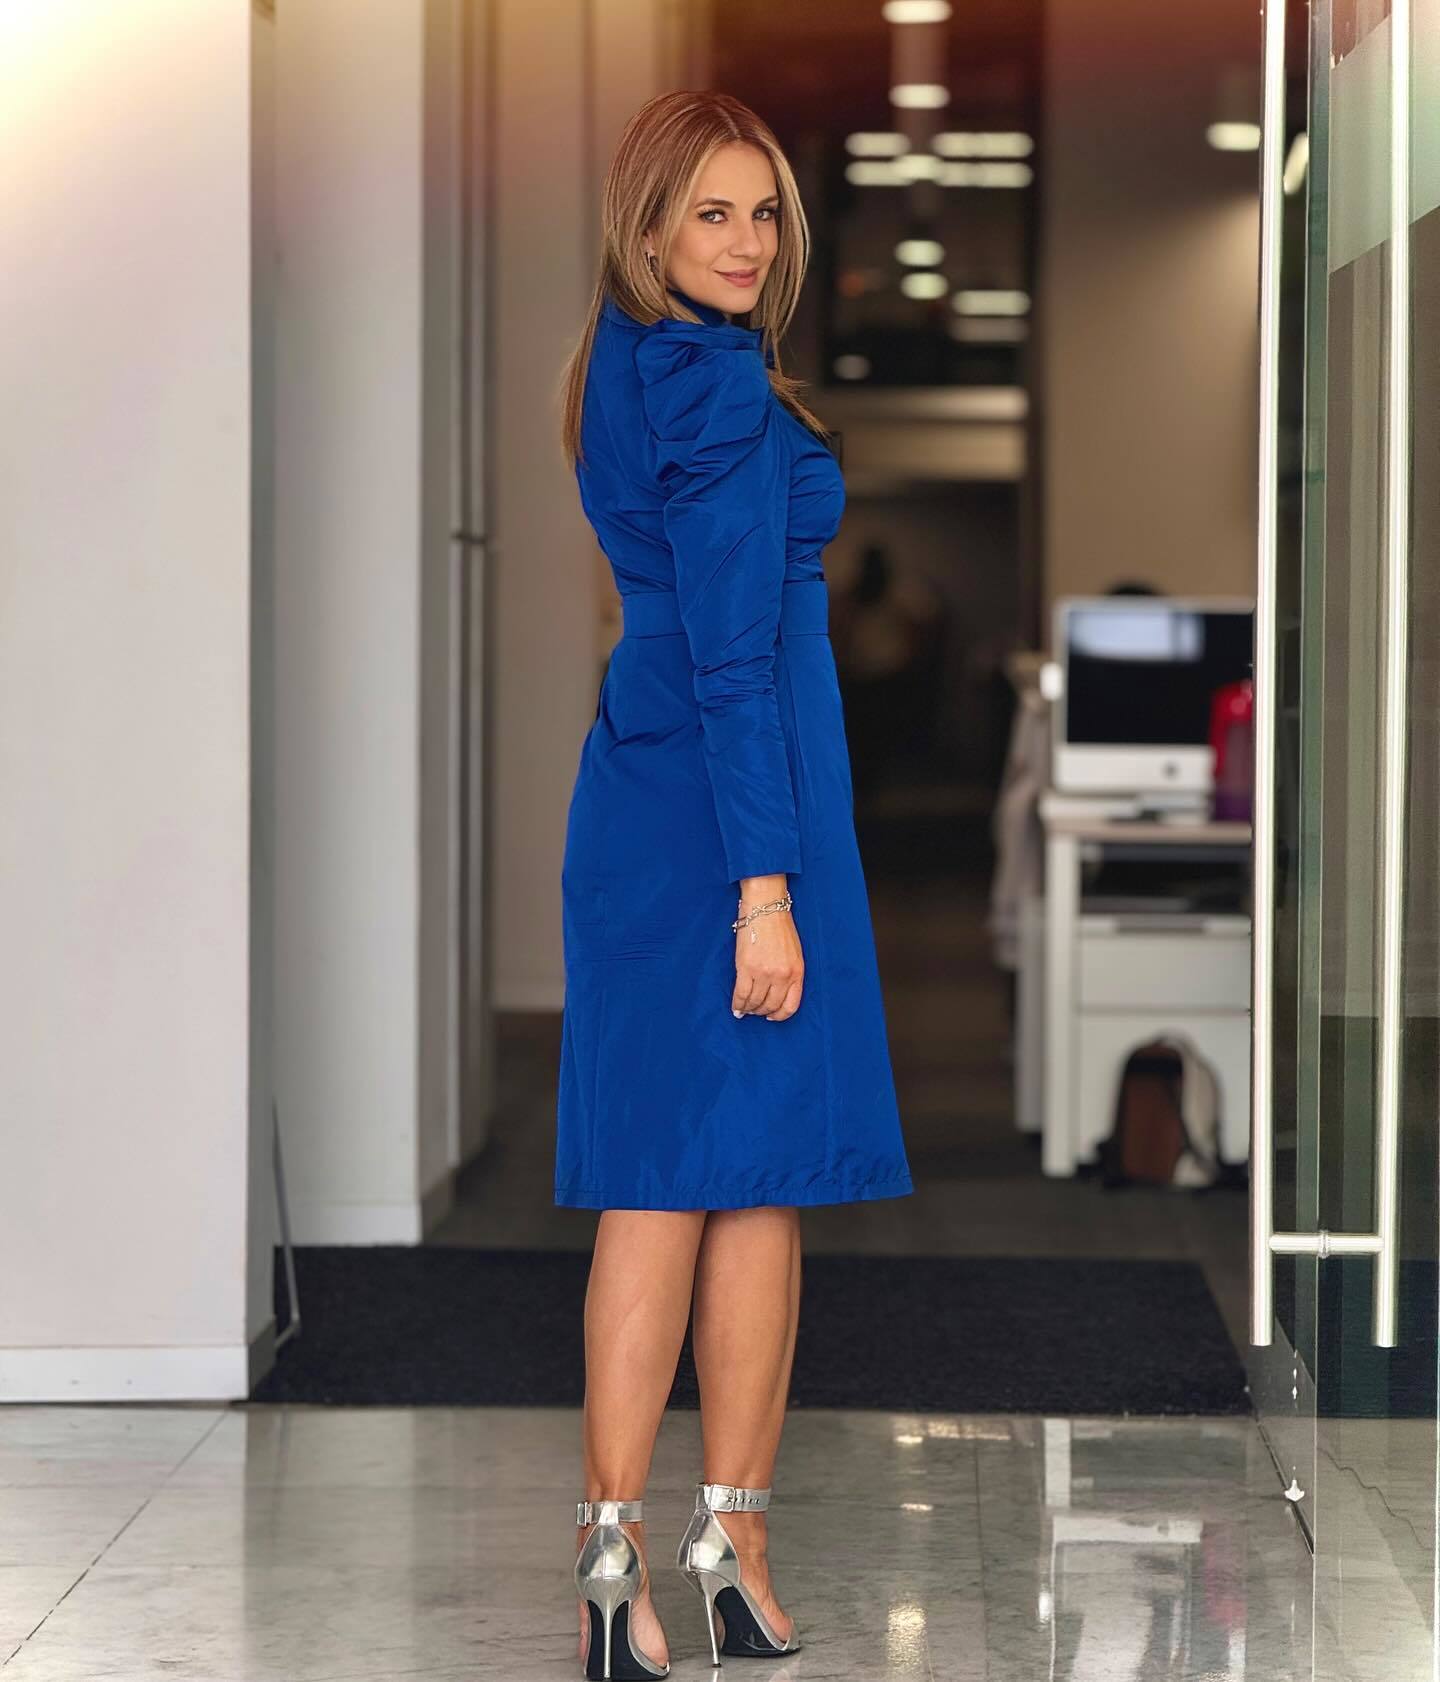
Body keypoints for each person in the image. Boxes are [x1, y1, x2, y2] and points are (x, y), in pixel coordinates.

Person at [555, 89, 914, 1680]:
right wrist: (764, 886)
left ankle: (627, 1552)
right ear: (648, 225)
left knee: (673, 1170)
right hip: (731, 809)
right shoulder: (704, 381)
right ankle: (724, 1543)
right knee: (740, 1177)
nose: (749, 241)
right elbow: (733, 658)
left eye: (766, 213)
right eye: (712, 212)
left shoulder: (628, 365)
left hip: (651, 789)